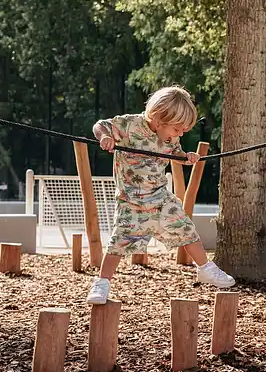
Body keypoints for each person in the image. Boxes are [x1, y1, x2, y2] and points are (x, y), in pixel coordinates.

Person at [86, 86, 235, 305]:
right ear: (158, 119)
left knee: (186, 228)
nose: (180, 134)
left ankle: (206, 268)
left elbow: (175, 153)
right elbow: (100, 125)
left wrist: (186, 157)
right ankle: (102, 283)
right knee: (118, 242)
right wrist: (105, 137)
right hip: (131, 201)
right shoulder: (129, 125)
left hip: (160, 198)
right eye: (177, 129)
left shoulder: (169, 138)